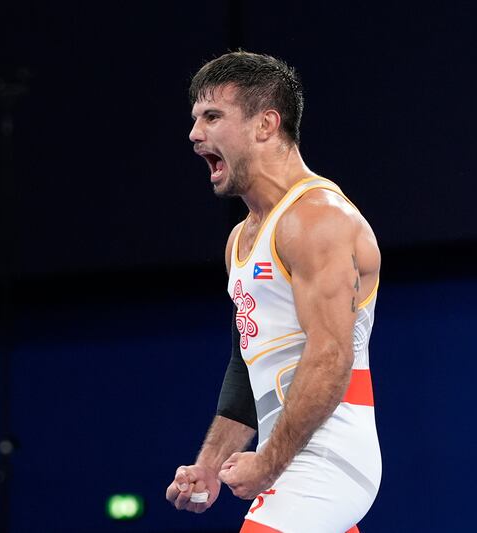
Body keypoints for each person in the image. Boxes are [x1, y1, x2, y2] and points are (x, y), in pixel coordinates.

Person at [165, 51, 382, 533]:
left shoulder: (318, 218)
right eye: (196, 119)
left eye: (212, 117)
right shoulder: (240, 241)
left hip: (328, 457)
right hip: (295, 458)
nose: (195, 134)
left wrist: (266, 463)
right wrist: (210, 463)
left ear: (265, 124)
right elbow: (248, 364)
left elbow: (330, 357)